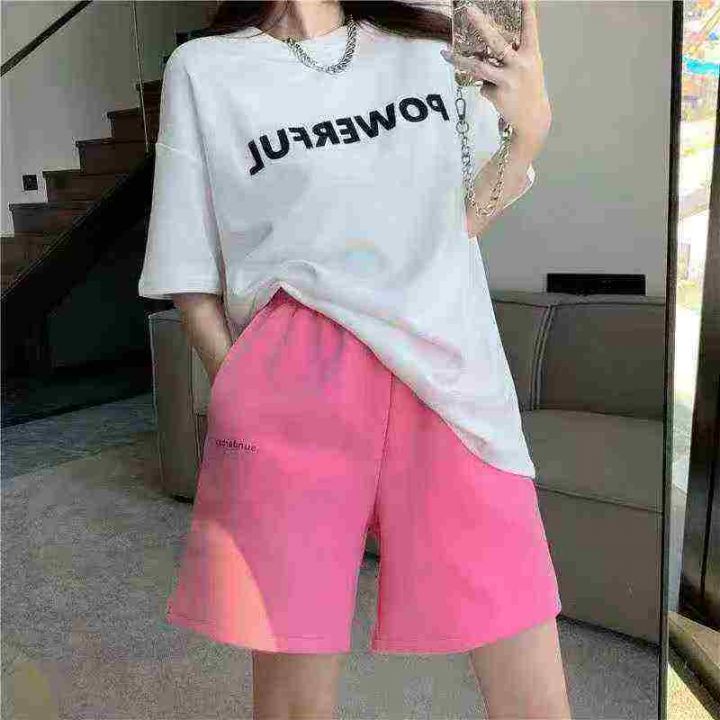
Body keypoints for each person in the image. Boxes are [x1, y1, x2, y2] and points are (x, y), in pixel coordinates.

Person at [137, 1, 570, 717]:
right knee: (293, 701)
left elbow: (463, 221)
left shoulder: (426, 46)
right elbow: (187, 269)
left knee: (532, 686)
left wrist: (528, 134)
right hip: (292, 384)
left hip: (450, 377)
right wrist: (241, 385)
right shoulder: (205, 69)